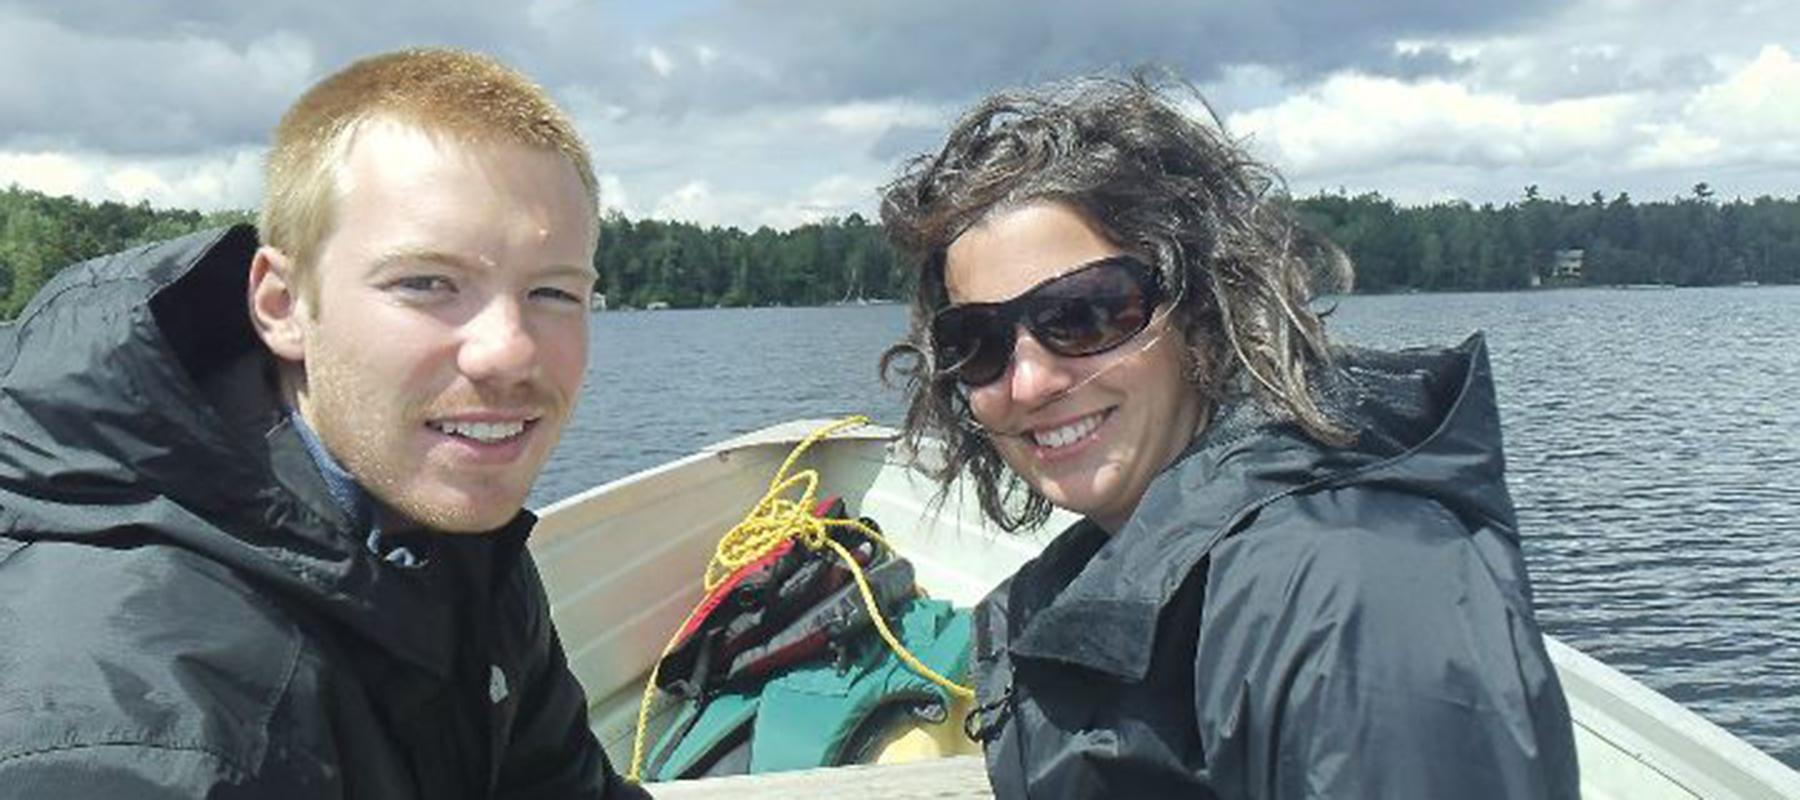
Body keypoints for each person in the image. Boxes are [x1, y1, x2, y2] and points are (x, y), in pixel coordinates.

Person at [879, 75, 1581, 798]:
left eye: (1085, 313)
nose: (1028, 382)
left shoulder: (1351, 596)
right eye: (978, 342)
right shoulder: (1156, 562)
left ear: (1204, 308)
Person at [0, 48, 649, 799]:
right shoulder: (148, 738)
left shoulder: (442, 534)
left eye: (554, 293)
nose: (509, 351)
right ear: (281, 305)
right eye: (427, 283)